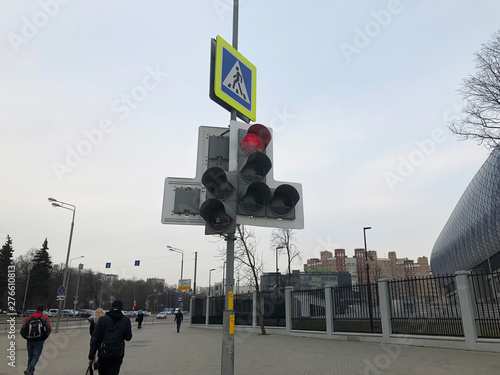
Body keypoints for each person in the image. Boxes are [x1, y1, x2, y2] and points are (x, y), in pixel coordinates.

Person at [89, 300, 132, 375]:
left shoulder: (102, 319)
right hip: (117, 353)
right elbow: (128, 337)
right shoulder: (125, 320)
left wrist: (91, 356)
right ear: (121, 308)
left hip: (104, 353)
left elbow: (95, 339)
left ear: (112, 307)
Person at [20, 304, 52, 375]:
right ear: (43, 310)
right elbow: (49, 329)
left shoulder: (29, 318)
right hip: (39, 340)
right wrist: (44, 337)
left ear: (36, 309)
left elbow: (22, 329)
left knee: (30, 356)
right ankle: (29, 369)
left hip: (29, 340)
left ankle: (30, 372)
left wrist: (26, 337)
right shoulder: (44, 318)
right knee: (36, 356)